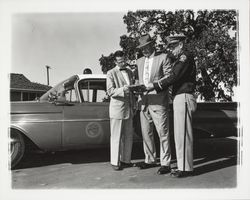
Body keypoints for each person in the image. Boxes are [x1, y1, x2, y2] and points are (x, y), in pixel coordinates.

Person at [146, 34, 197, 177]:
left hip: (184, 96)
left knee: (184, 135)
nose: (171, 50)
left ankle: (186, 168)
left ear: (180, 45)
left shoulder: (185, 57)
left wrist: (155, 85)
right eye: (169, 47)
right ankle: (182, 167)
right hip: (179, 97)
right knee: (180, 135)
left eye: (173, 46)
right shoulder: (178, 59)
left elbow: (174, 76)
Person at [135, 34, 172, 175]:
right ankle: (150, 159)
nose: (143, 50)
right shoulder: (139, 61)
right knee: (146, 133)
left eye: (145, 47)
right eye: (141, 48)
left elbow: (169, 77)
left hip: (158, 101)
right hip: (143, 102)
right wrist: (136, 87)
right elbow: (139, 79)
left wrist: (153, 86)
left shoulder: (163, 57)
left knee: (163, 133)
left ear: (152, 45)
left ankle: (166, 163)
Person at [106, 50, 136, 171]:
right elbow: (110, 91)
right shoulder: (110, 73)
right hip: (117, 109)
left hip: (129, 108)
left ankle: (126, 160)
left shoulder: (129, 71)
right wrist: (124, 89)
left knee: (128, 136)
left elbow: (132, 88)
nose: (122, 63)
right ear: (115, 61)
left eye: (124, 60)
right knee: (116, 136)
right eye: (119, 61)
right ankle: (115, 162)